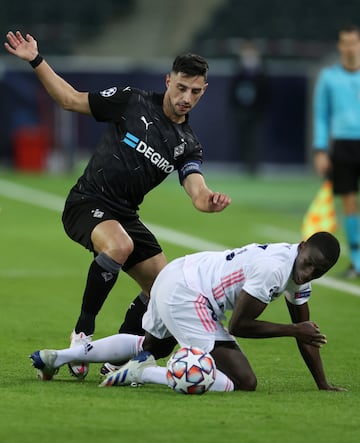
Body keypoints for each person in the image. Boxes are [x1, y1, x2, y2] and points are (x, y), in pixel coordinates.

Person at [4, 31, 231, 379]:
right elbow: (69, 99)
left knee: (164, 289)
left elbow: (196, 190)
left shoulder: (187, 143)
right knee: (120, 245)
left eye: (195, 92)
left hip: (125, 214)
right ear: (168, 81)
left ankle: (117, 360)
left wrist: (208, 201)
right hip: (87, 202)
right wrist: (36, 59)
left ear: (204, 91)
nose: (186, 97)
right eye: (181, 88)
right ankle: (81, 337)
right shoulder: (131, 101)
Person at [30, 232, 345, 392]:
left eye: (318, 271)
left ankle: (59, 357)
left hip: (177, 273)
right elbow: (240, 325)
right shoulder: (274, 270)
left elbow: (308, 335)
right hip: (190, 292)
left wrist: (322, 384)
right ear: (301, 246)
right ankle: (144, 373)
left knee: (150, 346)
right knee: (245, 381)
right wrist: (293, 331)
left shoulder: (296, 273)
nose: (308, 273)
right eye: (308, 264)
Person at [312, 24, 360, 278]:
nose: (350, 47)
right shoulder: (329, 77)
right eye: (345, 43)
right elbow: (321, 116)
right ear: (340, 46)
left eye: (354, 42)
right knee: (349, 203)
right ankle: (357, 261)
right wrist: (320, 149)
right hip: (343, 145)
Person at [229, 40, 269, 175]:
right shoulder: (238, 72)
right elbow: (232, 92)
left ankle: (253, 165)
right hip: (241, 111)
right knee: (243, 138)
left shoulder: (261, 72)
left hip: (256, 111)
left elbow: (265, 93)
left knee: (254, 138)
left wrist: (261, 110)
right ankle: (245, 163)